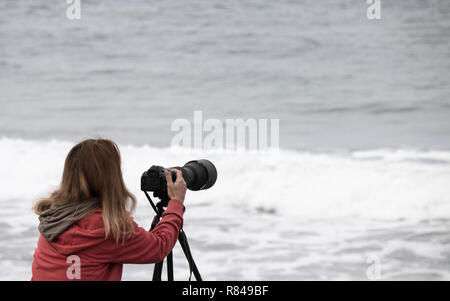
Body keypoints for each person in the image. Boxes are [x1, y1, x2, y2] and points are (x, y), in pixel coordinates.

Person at [31, 138, 187, 281]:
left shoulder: (53, 217)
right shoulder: (109, 227)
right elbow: (158, 246)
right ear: (112, 178)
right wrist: (176, 203)